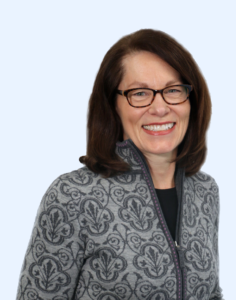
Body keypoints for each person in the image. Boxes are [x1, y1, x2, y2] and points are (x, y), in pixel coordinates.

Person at [16, 29, 224, 300]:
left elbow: (209, 294)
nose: (160, 108)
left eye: (173, 90)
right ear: (113, 106)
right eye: (139, 93)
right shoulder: (73, 195)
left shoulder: (205, 191)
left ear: (191, 101)